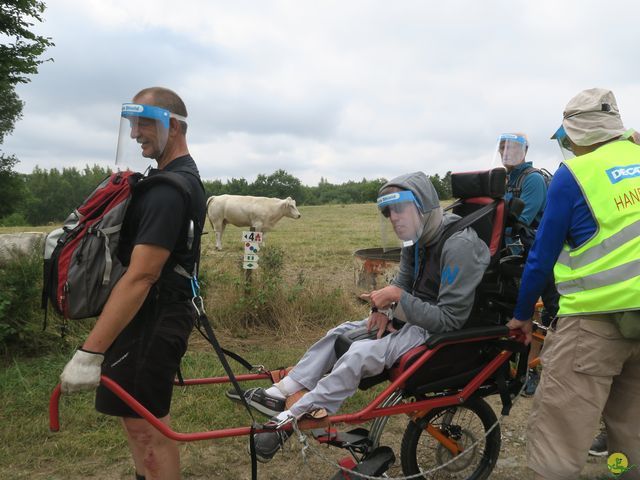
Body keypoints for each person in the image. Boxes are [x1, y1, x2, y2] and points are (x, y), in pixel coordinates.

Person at [228, 171, 491, 462]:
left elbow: (450, 319)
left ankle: (291, 417)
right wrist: (381, 308)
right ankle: (282, 391)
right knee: (339, 333)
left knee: (359, 355)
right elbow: (402, 282)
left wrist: (398, 300)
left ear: (424, 207)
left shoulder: (459, 247)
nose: (394, 218)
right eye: (388, 211)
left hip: (434, 331)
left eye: (399, 208)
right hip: (412, 317)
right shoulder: (416, 238)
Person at [59, 87, 206, 480]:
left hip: (153, 318)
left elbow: (142, 275)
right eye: (131, 123)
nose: (136, 132)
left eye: (144, 123)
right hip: (150, 318)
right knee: (139, 425)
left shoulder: (167, 191)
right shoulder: (172, 180)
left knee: (145, 429)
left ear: (173, 126)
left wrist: (90, 352)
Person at [507, 88, 640, 480]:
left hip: (594, 326)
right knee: (631, 431)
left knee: (559, 437)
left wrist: (521, 315)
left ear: (577, 134)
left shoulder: (574, 176)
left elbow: (540, 258)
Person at [497, 132, 558, 396]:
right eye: (503, 147)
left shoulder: (532, 179)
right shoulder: (502, 178)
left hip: (535, 254)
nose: (506, 151)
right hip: (509, 254)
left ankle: (531, 371)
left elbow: (519, 219)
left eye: (512, 147)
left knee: (529, 313)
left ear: (524, 150)